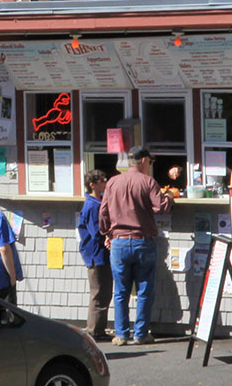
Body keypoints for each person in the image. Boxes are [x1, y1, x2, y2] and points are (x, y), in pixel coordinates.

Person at [99, 146, 174, 345]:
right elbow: (161, 207)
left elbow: (103, 213)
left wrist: (107, 233)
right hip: (142, 241)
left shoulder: (113, 182)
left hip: (119, 243)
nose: (149, 165)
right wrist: (170, 197)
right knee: (144, 290)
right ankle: (140, 334)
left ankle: (121, 334)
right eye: (149, 162)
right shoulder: (148, 181)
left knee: (121, 291)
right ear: (142, 161)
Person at [77, 169, 112, 339]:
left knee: (103, 292)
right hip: (96, 255)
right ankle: (95, 331)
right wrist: (108, 237)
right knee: (99, 293)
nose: (105, 183)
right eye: (102, 180)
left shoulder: (98, 202)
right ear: (92, 184)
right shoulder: (91, 205)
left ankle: (97, 329)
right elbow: (97, 232)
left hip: (100, 255)